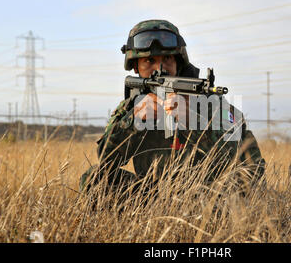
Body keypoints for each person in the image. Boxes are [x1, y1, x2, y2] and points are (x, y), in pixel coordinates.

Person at [79, 19, 265, 197]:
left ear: (178, 61)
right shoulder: (132, 106)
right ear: (136, 67)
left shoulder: (214, 103)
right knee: (94, 178)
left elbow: (240, 162)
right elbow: (106, 159)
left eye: (167, 58)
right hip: (153, 198)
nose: (160, 67)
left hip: (210, 196)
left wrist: (193, 121)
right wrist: (134, 121)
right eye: (149, 61)